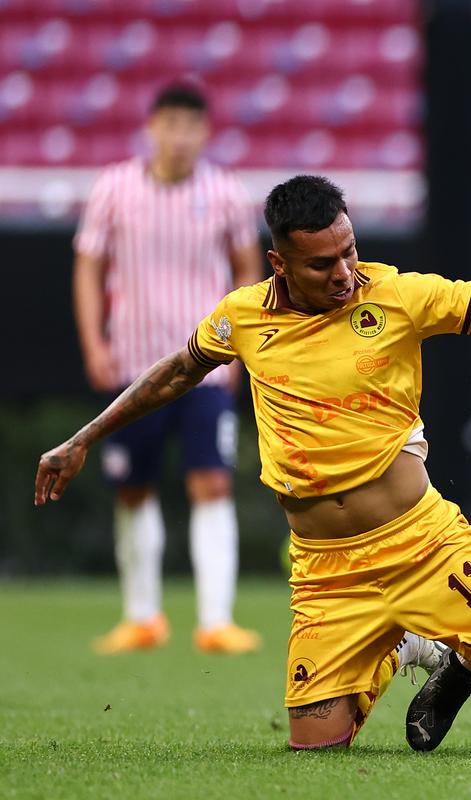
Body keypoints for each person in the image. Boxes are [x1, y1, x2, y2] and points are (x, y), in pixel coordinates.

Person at [36, 175, 471, 752]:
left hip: (423, 544)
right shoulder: (242, 318)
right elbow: (173, 375)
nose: (343, 272)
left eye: (349, 251)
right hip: (325, 572)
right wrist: (84, 438)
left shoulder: (395, 297)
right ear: (279, 264)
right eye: (322, 264)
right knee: (317, 747)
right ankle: (398, 645)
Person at [72, 83, 263, 655]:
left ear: (205, 132)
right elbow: (88, 267)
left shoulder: (226, 193)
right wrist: (93, 341)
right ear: (152, 127)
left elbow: (247, 271)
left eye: (191, 126)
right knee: (132, 487)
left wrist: (242, 348)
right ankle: (142, 616)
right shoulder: (113, 188)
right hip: (132, 365)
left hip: (203, 365)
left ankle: (216, 619)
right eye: (171, 125)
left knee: (212, 481)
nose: (180, 138)